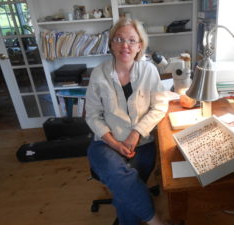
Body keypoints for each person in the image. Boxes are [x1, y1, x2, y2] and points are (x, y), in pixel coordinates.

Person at [85, 17, 169, 225]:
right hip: (105, 143)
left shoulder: (149, 71)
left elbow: (159, 106)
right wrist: (113, 142)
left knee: (124, 189)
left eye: (132, 40)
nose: (125, 45)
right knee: (123, 179)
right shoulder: (99, 73)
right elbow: (92, 114)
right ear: (111, 43)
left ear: (140, 45)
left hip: (141, 144)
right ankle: (155, 222)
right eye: (119, 39)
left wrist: (136, 133)